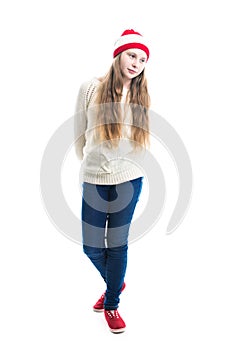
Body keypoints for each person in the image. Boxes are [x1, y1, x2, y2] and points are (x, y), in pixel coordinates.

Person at [74, 29, 151, 333]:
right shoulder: (91, 88)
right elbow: (79, 129)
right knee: (91, 247)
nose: (137, 63)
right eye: (132, 55)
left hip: (128, 179)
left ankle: (112, 303)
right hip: (94, 178)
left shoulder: (140, 94)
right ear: (119, 54)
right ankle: (115, 281)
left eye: (143, 59)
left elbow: (140, 139)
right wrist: (88, 161)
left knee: (117, 246)